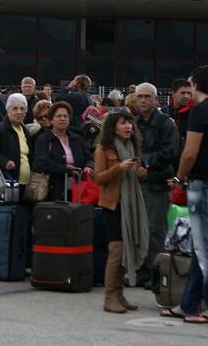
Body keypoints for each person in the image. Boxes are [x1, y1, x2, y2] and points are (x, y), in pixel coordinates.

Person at [164, 66, 208, 324]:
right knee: (201, 245)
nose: (187, 89)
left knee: (205, 248)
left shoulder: (200, 111)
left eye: (190, 84)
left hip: (203, 185)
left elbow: (190, 152)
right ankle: (187, 303)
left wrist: (178, 179)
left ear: (198, 85)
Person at [94, 109, 149, 313]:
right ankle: (109, 296)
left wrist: (141, 173)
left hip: (131, 204)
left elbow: (136, 175)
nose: (128, 127)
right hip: (112, 204)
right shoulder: (103, 149)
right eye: (123, 123)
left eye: (130, 123)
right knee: (116, 251)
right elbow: (98, 178)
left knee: (126, 249)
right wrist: (119, 168)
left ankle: (119, 293)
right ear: (113, 127)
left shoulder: (132, 146)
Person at [133, 82, 180, 286]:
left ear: (155, 99)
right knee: (139, 229)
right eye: (139, 96)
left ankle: (157, 276)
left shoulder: (165, 123)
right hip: (138, 183)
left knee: (155, 231)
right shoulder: (134, 122)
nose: (143, 100)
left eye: (147, 96)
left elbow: (171, 151)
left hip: (158, 184)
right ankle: (142, 271)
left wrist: (146, 164)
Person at [33, 102, 93, 201]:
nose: (62, 119)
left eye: (65, 116)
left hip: (78, 192)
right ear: (51, 120)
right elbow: (42, 163)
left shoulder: (77, 138)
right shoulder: (43, 139)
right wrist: (67, 170)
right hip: (54, 191)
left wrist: (88, 166)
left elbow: (88, 157)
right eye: (59, 116)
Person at [0, 93, 34, 194]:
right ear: (8, 110)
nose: (19, 112)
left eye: (22, 109)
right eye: (15, 108)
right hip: (7, 183)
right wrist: (4, 162)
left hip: (25, 184)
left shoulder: (25, 130)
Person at [166, 78, 193, 144]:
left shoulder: (194, 114)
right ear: (173, 94)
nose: (186, 96)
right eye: (183, 93)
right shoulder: (164, 112)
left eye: (189, 93)